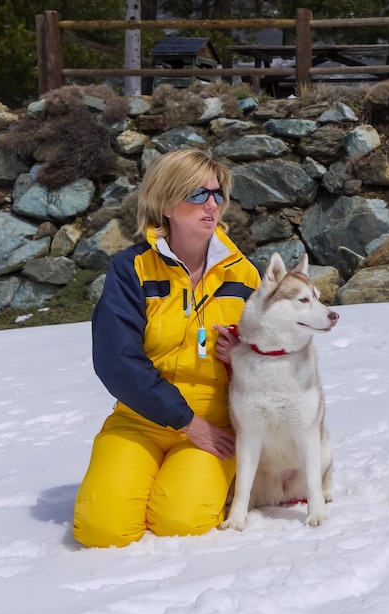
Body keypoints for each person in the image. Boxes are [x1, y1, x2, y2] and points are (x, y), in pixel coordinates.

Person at [73, 148, 261, 547]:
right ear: (165, 202)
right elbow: (116, 361)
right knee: (101, 529)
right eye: (198, 194)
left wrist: (241, 357)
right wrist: (186, 422)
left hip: (218, 423)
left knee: (180, 521)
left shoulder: (244, 274)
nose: (211, 205)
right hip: (141, 417)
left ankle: (220, 481)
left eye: (218, 194)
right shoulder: (132, 269)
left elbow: (273, 357)